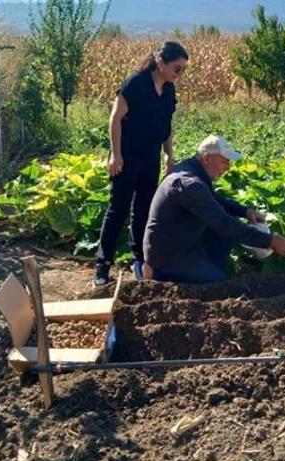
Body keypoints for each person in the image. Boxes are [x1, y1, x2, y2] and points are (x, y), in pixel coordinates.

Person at [143, 135, 285, 284]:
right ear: (207, 158)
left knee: (226, 238)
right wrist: (270, 241)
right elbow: (223, 223)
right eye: (225, 161)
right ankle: (157, 275)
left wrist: (245, 211)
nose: (228, 167)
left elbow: (213, 199)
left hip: (182, 241)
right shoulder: (189, 184)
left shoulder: (192, 170)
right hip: (169, 255)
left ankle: (205, 267)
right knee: (217, 282)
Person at [94, 41, 189, 286]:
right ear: (161, 63)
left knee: (144, 210)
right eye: (177, 69)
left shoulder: (168, 90)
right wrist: (115, 155)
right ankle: (102, 266)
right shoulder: (135, 84)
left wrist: (169, 153)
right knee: (118, 209)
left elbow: (166, 124)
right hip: (127, 155)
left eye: (183, 70)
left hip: (150, 155)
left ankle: (139, 260)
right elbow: (115, 119)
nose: (180, 75)